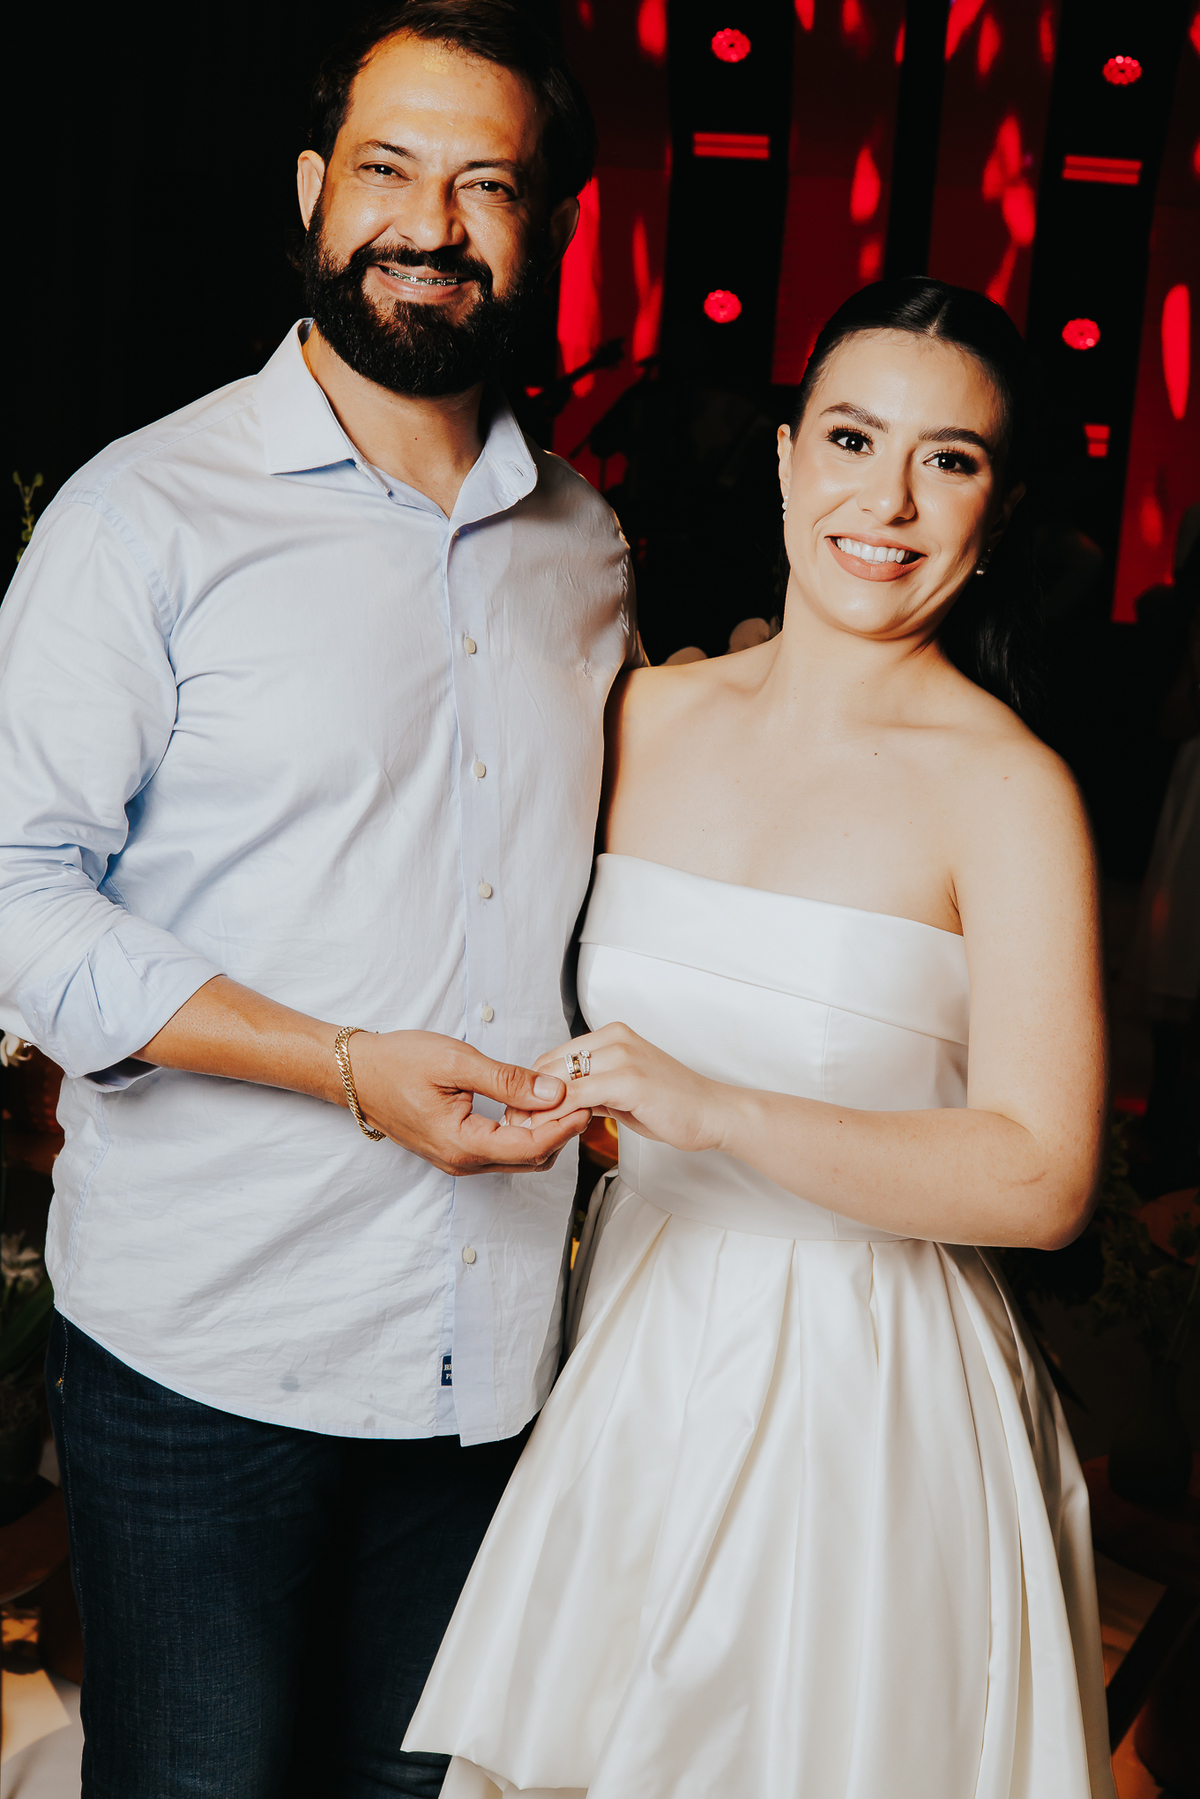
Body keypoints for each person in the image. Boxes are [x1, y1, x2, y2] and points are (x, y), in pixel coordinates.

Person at [0, 6, 635, 1795]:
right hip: (209, 1344)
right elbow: (14, 895)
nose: (430, 224)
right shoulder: (147, 515)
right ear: (310, 191)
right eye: (387, 169)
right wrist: (343, 1065)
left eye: (486, 183)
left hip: (483, 1358)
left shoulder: (587, 548)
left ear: (545, 226)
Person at [406, 279, 1116, 1799]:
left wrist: (716, 1108)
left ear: (996, 509)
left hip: (869, 1394)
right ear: (787, 457)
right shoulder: (647, 716)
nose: (888, 499)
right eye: (853, 438)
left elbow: (1045, 1175)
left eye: (948, 460)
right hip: (637, 1349)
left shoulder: (1008, 793)